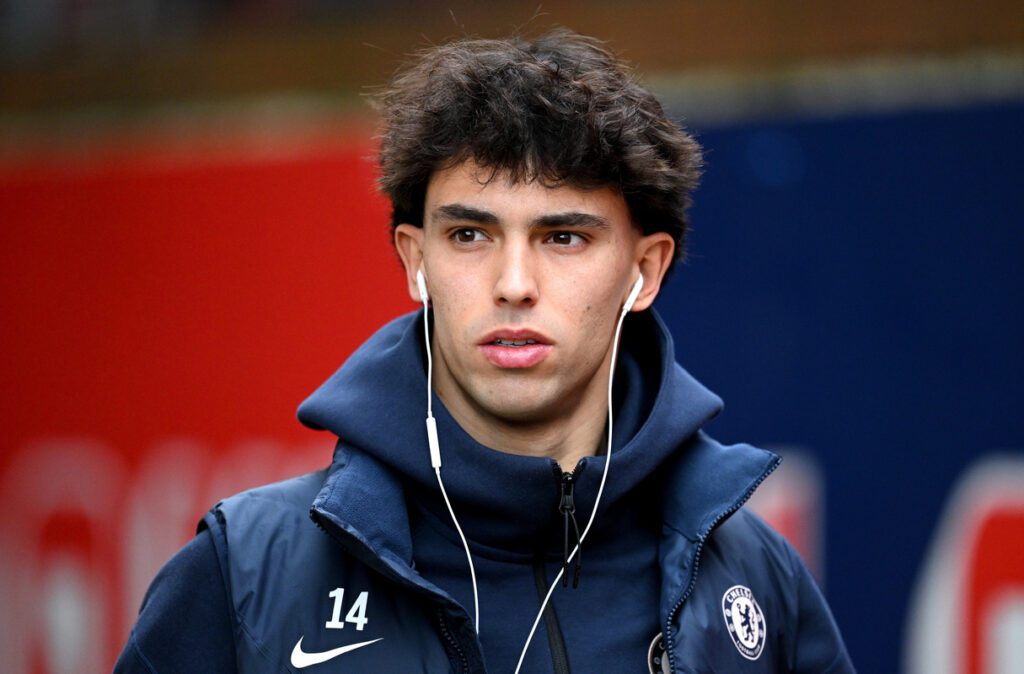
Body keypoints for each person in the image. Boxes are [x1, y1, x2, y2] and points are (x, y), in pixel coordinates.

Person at [115, 28, 854, 673]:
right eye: (470, 235)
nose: (513, 284)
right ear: (416, 261)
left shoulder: (753, 576)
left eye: (563, 237)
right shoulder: (246, 572)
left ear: (645, 270)